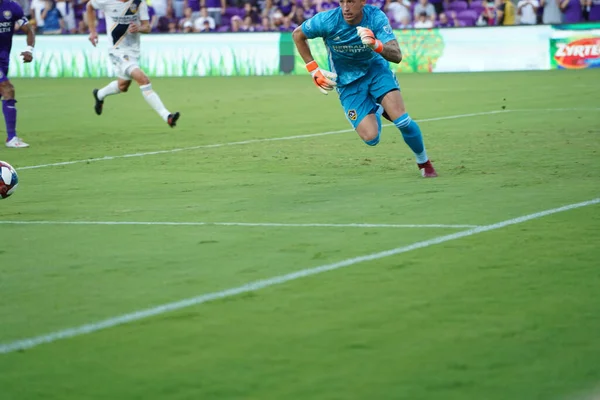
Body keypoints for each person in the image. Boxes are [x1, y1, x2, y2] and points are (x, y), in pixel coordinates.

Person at [291, 0, 437, 177]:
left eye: (351, 2)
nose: (345, 7)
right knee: (371, 138)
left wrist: (376, 45)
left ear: (362, 2)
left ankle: (424, 162)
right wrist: (313, 69)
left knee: (401, 120)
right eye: (342, 1)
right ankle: (378, 108)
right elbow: (298, 34)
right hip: (347, 82)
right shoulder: (327, 20)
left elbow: (397, 55)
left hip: (376, 72)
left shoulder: (375, 17)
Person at [87, 0, 180, 127]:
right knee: (143, 79)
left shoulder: (139, 2)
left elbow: (147, 27)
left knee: (123, 86)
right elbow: (89, 6)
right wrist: (92, 31)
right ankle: (167, 116)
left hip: (133, 51)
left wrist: (139, 28)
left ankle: (99, 94)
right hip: (117, 50)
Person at [1, 0, 35, 148]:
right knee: (7, 88)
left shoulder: (12, 7)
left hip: (3, 59)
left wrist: (29, 49)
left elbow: (28, 29)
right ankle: (12, 138)